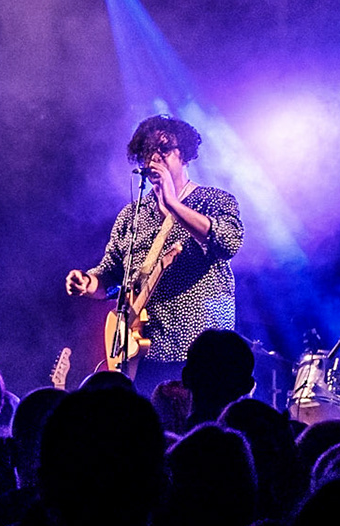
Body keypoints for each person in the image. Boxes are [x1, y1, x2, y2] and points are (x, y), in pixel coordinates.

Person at [65, 116, 244, 394]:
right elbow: (111, 274)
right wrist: (88, 282)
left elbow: (228, 242)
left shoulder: (213, 200)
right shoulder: (132, 215)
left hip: (200, 346)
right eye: (147, 151)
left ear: (183, 154)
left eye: (164, 149)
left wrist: (173, 203)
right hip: (143, 351)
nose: (155, 157)